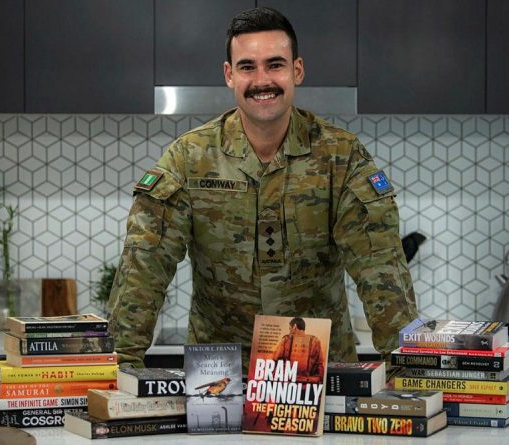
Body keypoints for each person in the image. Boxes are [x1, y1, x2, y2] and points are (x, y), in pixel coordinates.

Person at [108, 6, 417, 369]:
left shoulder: (341, 157)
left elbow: (379, 264)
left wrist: (406, 372)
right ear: (229, 75)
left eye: (275, 64)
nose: (262, 80)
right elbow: (146, 262)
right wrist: (120, 368)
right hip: (219, 378)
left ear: (296, 70)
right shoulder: (189, 158)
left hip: (318, 376)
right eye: (247, 67)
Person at [272, 317, 324, 383]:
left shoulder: (286, 340)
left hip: (288, 383)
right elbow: (320, 365)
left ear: (295, 326)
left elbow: (275, 359)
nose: (289, 331)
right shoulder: (315, 341)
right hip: (307, 383)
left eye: (290, 328)